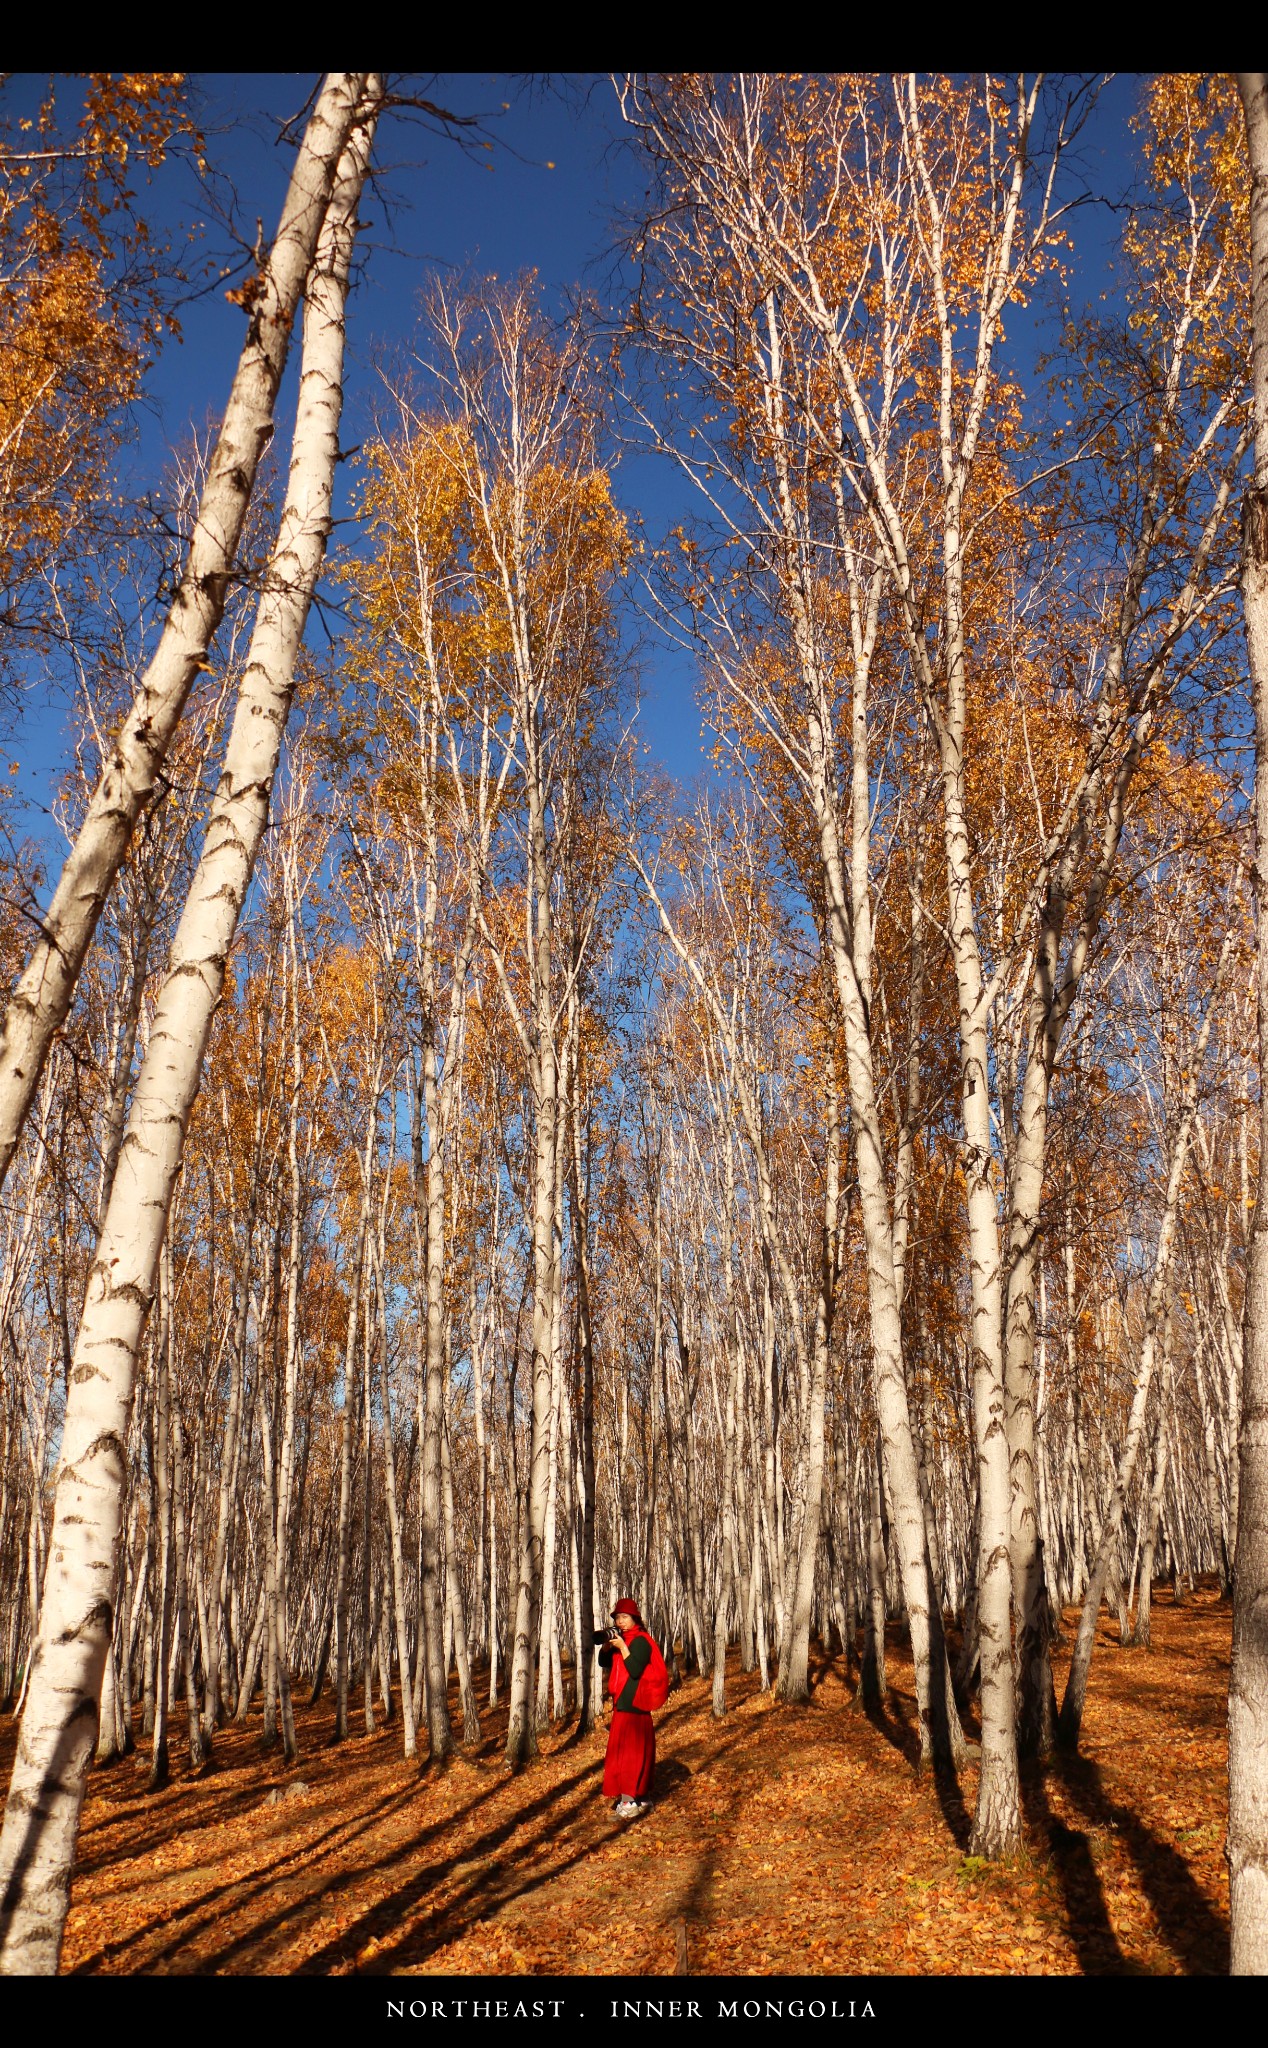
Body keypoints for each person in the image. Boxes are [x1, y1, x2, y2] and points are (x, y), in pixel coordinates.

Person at [599, 1597, 658, 1819]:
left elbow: (634, 1669)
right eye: (617, 1617)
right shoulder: (622, 1638)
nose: (621, 1621)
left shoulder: (641, 1641)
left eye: (625, 1617)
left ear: (635, 1618)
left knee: (630, 1756)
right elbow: (604, 1663)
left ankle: (629, 1801)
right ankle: (641, 1799)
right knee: (628, 1753)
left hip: (635, 1704)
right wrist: (607, 1645)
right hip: (622, 1704)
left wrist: (623, 1647)